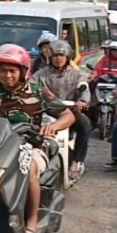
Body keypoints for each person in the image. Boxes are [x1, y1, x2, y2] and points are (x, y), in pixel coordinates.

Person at [0, 44, 75, 233]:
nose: (7, 75)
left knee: (30, 170)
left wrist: (53, 127)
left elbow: (67, 116)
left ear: (23, 72)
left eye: (12, 71)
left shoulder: (38, 92)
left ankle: (32, 222)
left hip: (30, 147)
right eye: (3, 71)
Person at [32, 39, 91, 182]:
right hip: (46, 112)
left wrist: (82, 102)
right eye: (55, 56)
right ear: (50, 57)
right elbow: (31, 88)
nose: (58, 59)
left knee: (85, 125)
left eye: (61, 56)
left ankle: (76, 162)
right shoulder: (40, 75)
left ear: (67, 57)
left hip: (71, 112)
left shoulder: (78, 75)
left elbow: (85, 90)